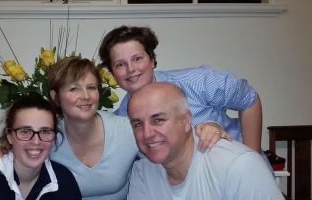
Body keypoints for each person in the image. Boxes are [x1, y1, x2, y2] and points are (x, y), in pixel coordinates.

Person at [0, 57, 229, 200]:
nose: (85, 96)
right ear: (55, 97)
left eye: (91, 87)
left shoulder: (126, 129)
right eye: (73, 88)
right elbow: (19, 155)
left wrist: (206, 127)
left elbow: (171, 147)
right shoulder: (49, 135)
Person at [122, 81, 296, 200]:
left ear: (187, 120)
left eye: (158, 120)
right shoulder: (143, 171)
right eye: (137, 124)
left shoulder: (240, 166)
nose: (147, 134)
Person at [98, 25, 262, 153]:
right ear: (112, 72)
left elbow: (249, 99)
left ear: (152, 60)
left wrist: (252, 158)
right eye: (120, 64)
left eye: (137, 58)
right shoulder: (122, 121)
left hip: (236, 169)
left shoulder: (197, 82)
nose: (131, 69)